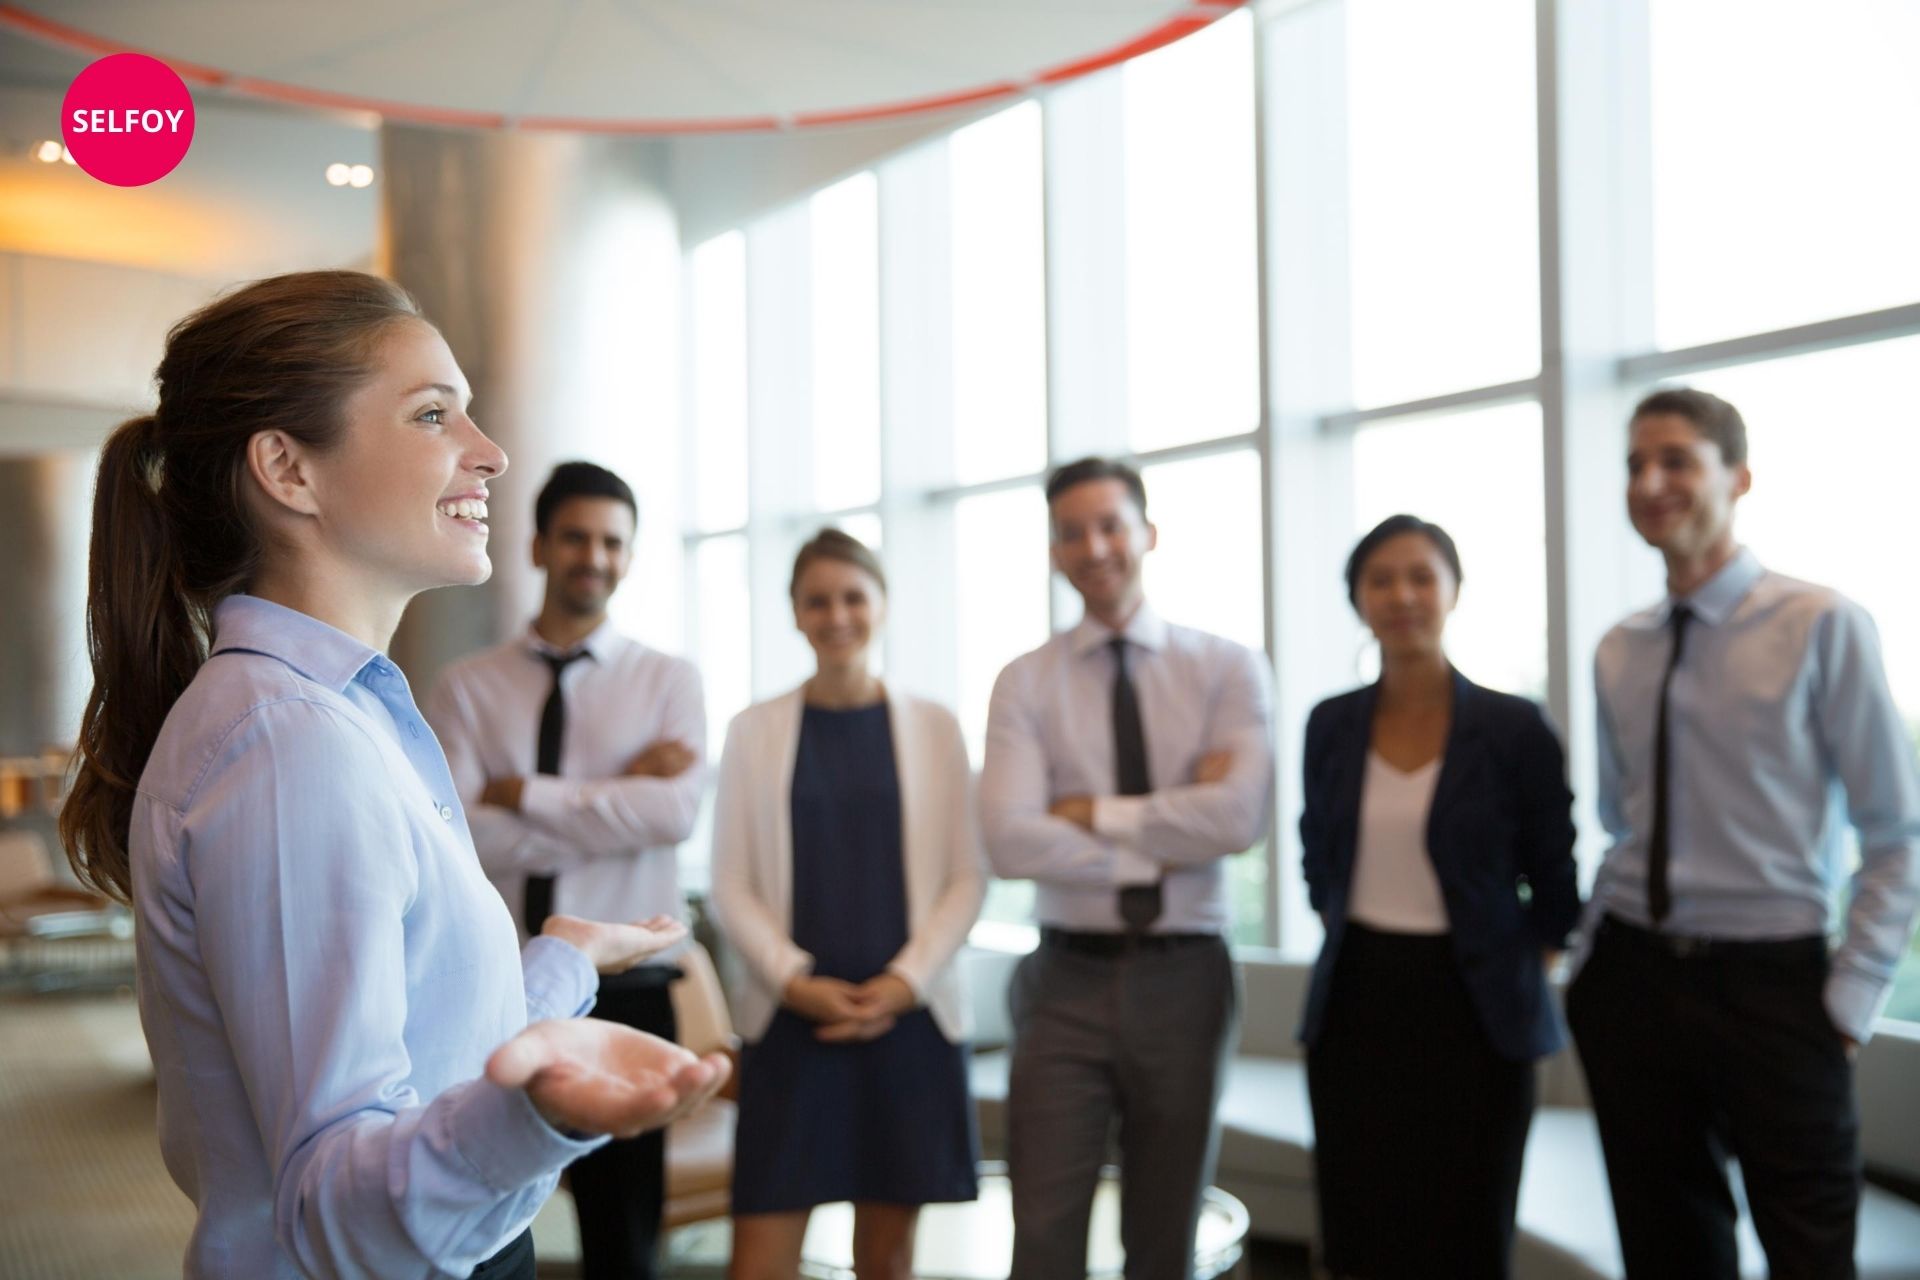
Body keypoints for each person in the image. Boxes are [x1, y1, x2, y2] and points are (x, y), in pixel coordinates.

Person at [56, 271, 727, 1280]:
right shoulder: (290, 743)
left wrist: (562, 959)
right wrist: (534, 1115)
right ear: (288, 468)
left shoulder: (340, 714)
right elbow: (334, 1205)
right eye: (431, 413)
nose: (491, 451)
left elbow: (428, 1050)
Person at [1569, 387, 1920, 1279]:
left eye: (1677, 459)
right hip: (1634, 979)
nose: (1651, 481)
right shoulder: (1618, 647)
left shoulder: (1821, 623)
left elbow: (1895, 830)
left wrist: (1847, 1003)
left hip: (1777, 988)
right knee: (1666, 1250)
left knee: (1808, 1251)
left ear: (1739, 477)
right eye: (1635, 464)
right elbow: (1622, 824)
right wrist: (1587, 965)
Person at [979, 457, 1274, 1280]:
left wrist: (1091, 813)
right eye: (1071, 532)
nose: (1094, 545)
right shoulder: (1025, 681)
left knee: (1163, 1236)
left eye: (1110, 524)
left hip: (1187, 977)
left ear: (1147, 532)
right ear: (1053, 550)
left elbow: (1238, 819)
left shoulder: (1225, 667)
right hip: (1063, 977)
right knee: (1041, 1233)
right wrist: (1176, 821)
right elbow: (1009, 842)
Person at [425, 461, 706, 1280]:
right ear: (540, 545)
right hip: (496, 982)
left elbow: (675, 815)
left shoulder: (668, 682)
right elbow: (462, 843)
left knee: (626, 1239)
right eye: (577, 537)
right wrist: (616, 800)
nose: (596, 556)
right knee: (477, 1215)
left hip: (632, 987)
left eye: (613, 542)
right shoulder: (467, 689)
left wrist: (529, 796)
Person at [1296, 514, 1580, 1280]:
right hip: (1357, 997)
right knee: (1360, 1227)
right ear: (1357, 598)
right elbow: (1317, 854)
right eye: (1381, 579)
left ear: (1454, 590)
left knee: (1467, 1227)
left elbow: (1557, 880)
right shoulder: (1330, 724)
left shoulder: (1514, 727)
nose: (1403, 595)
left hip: (1479, 1007)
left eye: (1422, 576)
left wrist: (1519, 964)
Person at [709, 528, 985, 1280]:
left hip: (910, 1024)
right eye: (817, 600)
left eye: (853, 597)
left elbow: (968, 877)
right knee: (759, 1259)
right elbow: (729, 880)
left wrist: (904, 983)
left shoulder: (937, 726)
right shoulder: (752, 730)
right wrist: (794, 983)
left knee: (887, 1264)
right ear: (796, 614)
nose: (837, 615)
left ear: (883, 605)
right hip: (792, 1024)